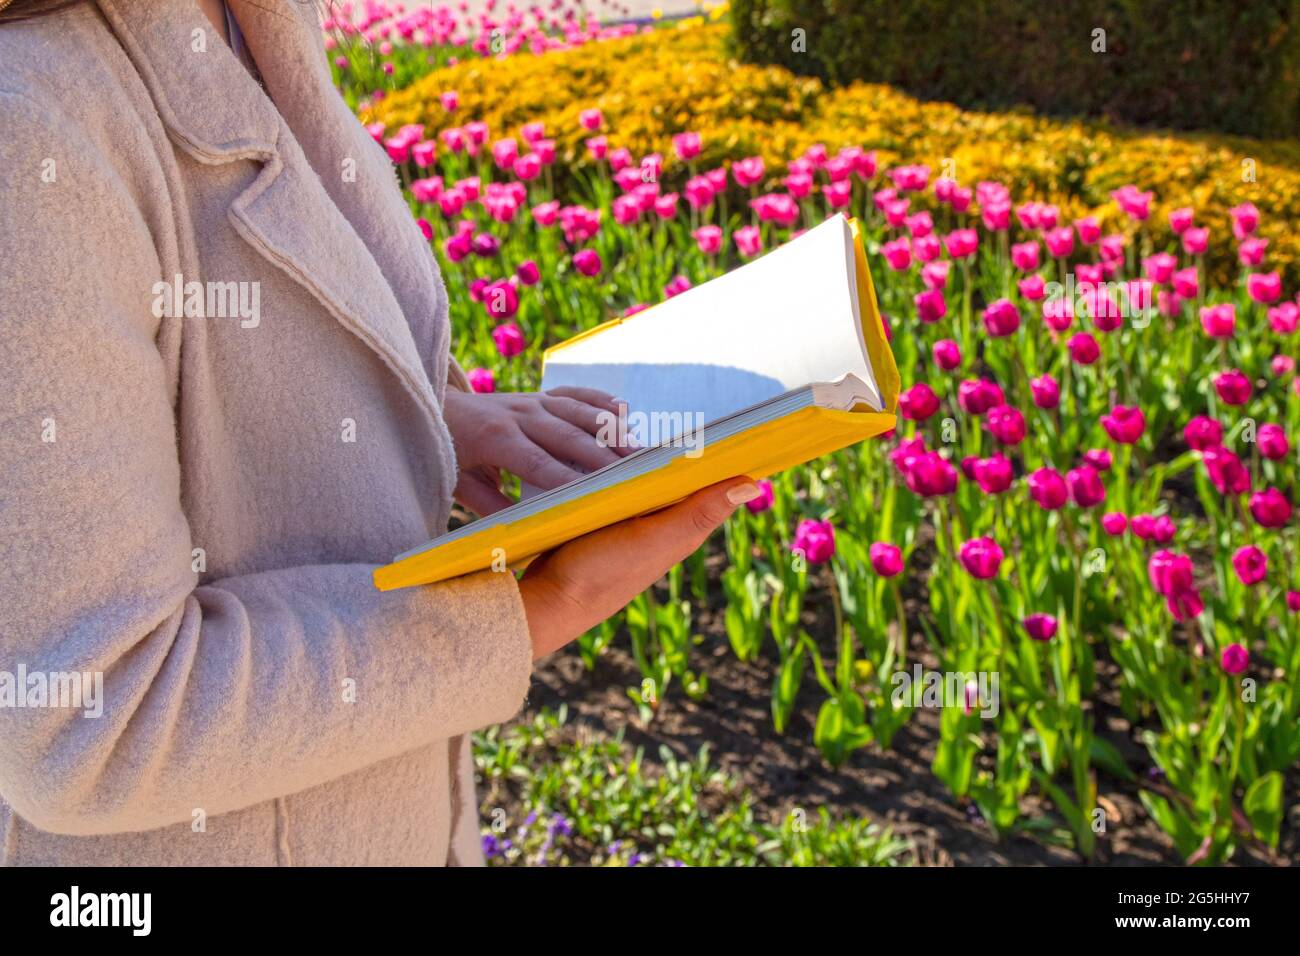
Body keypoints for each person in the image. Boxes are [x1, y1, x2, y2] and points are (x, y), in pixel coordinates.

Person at [0, 0, 761, 866]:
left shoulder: (255, 22)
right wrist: (539, 609)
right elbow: (87, 721)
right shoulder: (29, 129)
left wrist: (420, 414)